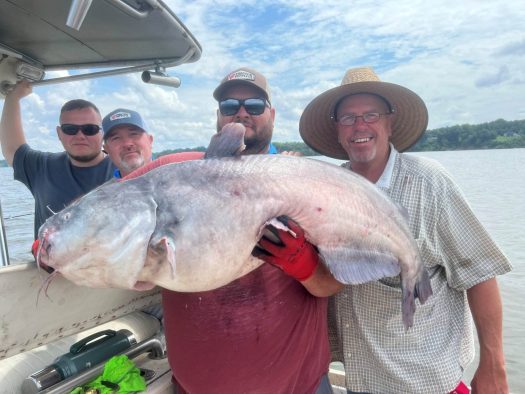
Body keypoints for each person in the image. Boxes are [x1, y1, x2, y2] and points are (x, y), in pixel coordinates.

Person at [299, 67, 513, 394]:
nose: (359, 126)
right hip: (359, 375)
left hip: (424, 380)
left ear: (390, 123)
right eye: (348, 118)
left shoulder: (430, 183)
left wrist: (493, 364)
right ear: (338, 131)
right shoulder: (326, 190)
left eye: (371, 115)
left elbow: (480, 272)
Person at [160, 67, 341, 393]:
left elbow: (332, 284)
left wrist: (304, 266)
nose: (242, 112)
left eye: (254, 105)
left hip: (300, 386)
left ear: (271, 113)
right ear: (218, 116)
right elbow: (110, 206)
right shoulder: (174, 172)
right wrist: (54, 238)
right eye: (230, 105)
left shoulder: (306, 181)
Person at [0, 80, 115, 238]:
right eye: (70, 129)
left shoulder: (124, 169)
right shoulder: (43, 167)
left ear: (102, 133)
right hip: (53, 262)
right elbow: (11, 147)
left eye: (90, 129)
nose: (80, 136)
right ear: (59, 134)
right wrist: (13, 98)